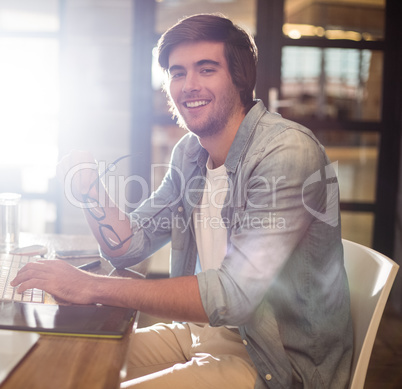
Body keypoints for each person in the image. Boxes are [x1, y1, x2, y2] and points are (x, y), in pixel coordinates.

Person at [12, 14, 353, 389]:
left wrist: (89, 286)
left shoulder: (286, 152)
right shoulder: (191, 153)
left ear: (239, 78)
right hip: (206, 332)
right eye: (177, 73)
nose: (189, 85)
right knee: (64, 366)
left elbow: (234, 295)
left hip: (276, 361)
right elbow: (128, 246)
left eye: (206, 69)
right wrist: (89, 188)